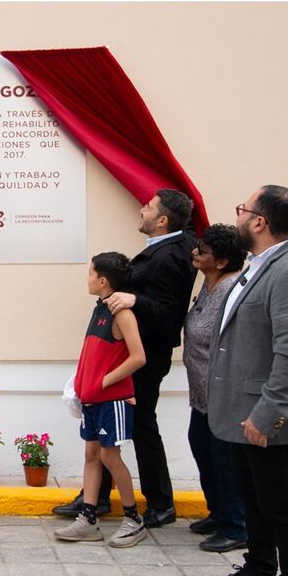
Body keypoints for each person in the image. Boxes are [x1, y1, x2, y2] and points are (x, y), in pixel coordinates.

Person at [199, 185, 288, 576]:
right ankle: (257, 573)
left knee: (283, 508)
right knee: (254, 501)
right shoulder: (261, 265)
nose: (237, 217)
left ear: (260, 222)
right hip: (240, 411)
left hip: (268, 417)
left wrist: (266, 415)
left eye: (243, 210)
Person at [54, 189, 197, 527]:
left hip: (141, 358)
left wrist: (133, 300)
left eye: (149, 207)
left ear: (162, 220)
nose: (142, 210)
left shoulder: (169, 255)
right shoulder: (167, 249)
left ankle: (159, 503)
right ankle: (97, 498)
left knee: (143, 426)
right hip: (123, 356)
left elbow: (168, 312)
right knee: (105, 428)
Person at [54, 252, 148, 548]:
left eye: (90, 273)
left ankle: (134, 519)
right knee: (92, 456)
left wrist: (103, 382)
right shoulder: (101, 309)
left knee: (109, 456)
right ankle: (88, 520)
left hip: (111, 401)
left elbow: (138, 357)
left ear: (103, 280)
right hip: (93, 400)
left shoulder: (122, 313)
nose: (87, 278)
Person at [183, 224, 249, 552]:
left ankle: (235, 526)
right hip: (201, 393)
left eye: (202, 251)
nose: (195, 253)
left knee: (224, 460)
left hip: (223, 394)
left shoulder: (231, 292)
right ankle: (218, 512)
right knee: (202, 449)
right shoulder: (209, 285)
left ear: (221, 261)